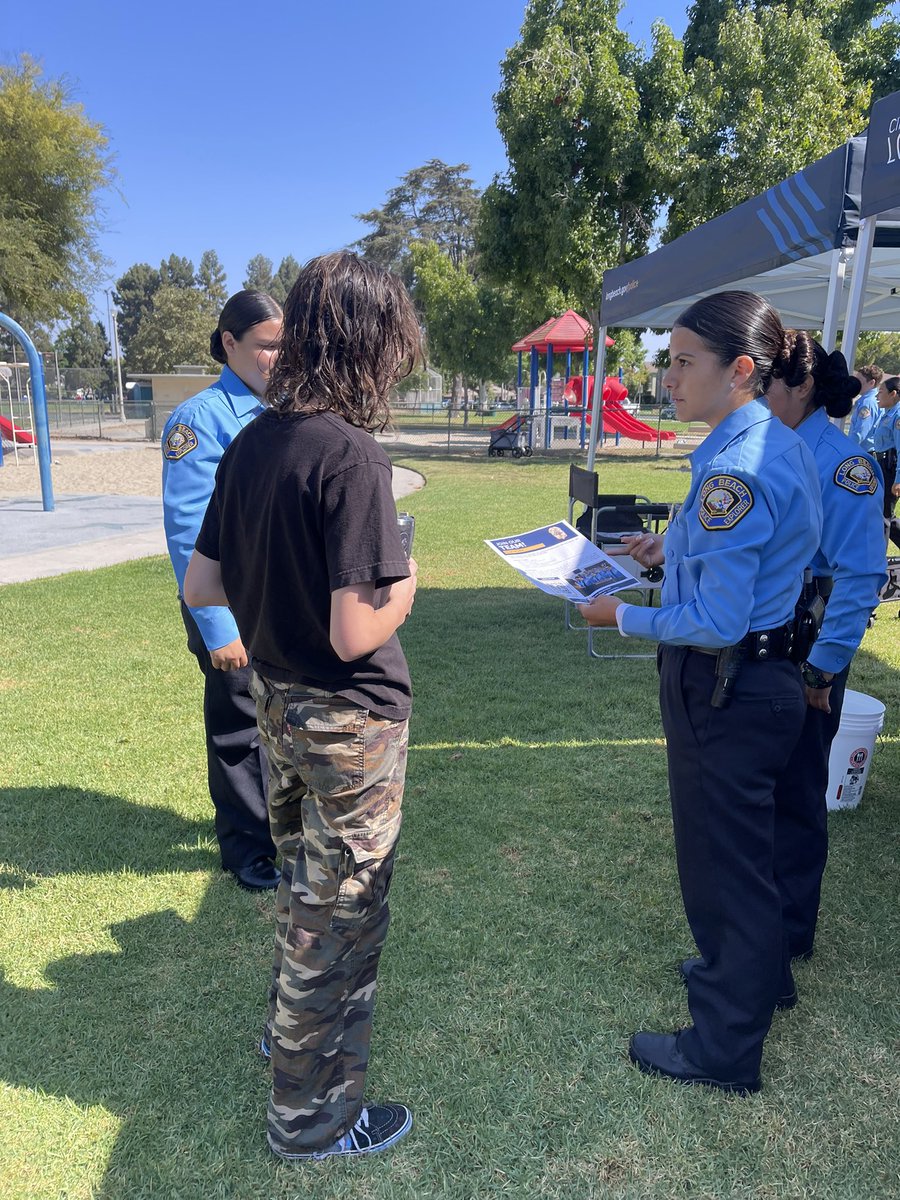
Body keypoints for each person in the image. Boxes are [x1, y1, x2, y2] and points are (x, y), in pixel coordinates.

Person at [183, 251, 420, 1161]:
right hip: (347, 721)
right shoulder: (351, 453)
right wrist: (407, 583)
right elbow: (358, 630)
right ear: (368, 343)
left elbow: (207, 578)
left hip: (280, 707)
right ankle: (312, 1119)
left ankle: (293, 1040)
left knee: (304, 890)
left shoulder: (252, 441)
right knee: (343, 907)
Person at [579, 291, 823, 1096]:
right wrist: (666, 548)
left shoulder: (734, 465)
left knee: (724, 868)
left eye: (686, 361)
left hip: (727, 683)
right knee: (745, 857)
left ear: (741, 370)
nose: (668, 375)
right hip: (762, 676)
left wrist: (624, 616)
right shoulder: (770, 444)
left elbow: (718, 620)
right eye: (669, 357)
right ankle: (755, 977)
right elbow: (768, 557)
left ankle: (723, 1045)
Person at [761, 338, 885, 965]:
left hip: (807, 648)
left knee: (800, 791)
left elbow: (859, 577)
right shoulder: (774, 451)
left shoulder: (845, 465)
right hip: (763, 638)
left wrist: (822, 668)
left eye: (768, 385)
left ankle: (787, 935)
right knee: (763, 791)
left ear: (801, 387)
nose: (759, 396)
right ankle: (760, 933)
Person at [162, 291, 282, 891]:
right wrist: (219, 627)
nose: (276, 357)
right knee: (238, 726)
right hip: (225, 601)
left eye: (283, 344)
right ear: (229, 342)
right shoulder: (198, 420)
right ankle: (247, 849)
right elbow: (188, 533)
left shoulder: (282, 411)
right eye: (265, 346)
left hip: (275, 597)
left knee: (282, 715)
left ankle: (278, 826)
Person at [873, 375, 900, 550]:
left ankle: (878, 560)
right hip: (883, 464)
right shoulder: (887, 414)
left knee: (883, 515)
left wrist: (898, 479)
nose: (877, 396)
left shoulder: (897, 416)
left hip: (891, 467)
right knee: (885, 513)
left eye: (881, 392)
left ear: (893, 394)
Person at [847, 364, 883, 453]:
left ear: (871, 383)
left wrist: (845, 449)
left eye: (859, 381)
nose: (855, 383)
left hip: (863, 452)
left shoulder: (867, 403)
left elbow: (859, 433)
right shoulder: (874, 400)